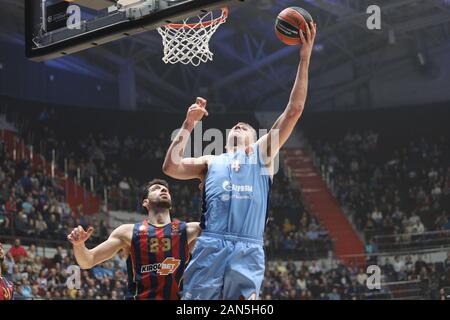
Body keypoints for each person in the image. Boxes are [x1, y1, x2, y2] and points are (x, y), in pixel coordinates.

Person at [163, 22, 317, 300]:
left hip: (248, 249)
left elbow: (294, 110)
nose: (238, 126)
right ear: (225, 142)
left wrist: (304, 58)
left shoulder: (262, 154)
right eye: (235, 126)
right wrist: (188, 124)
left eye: (244, 127)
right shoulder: (211, 161)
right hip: (211, 245)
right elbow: (171, 168)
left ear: (253, 137)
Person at [67, 179, 202, 300]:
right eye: (156, 188)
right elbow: (88, 261)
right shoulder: (127, 232)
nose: (163, 189)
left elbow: (220, 230)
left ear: (171, 203)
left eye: (165, 189)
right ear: (145, 202)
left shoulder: (191, 230)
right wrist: (79, 245)